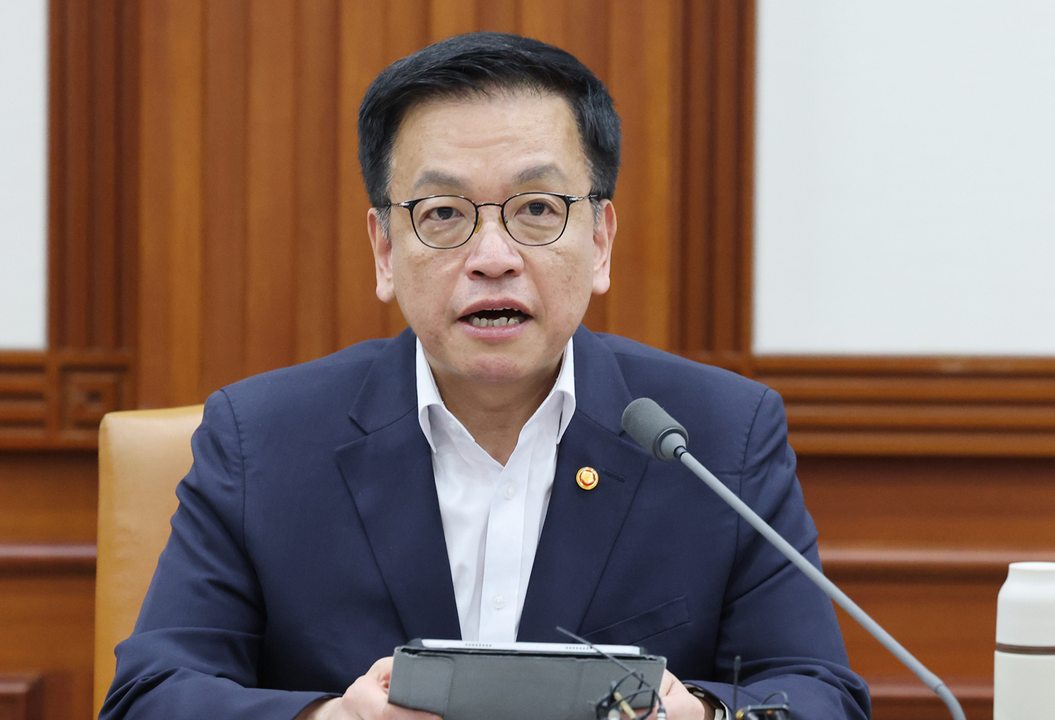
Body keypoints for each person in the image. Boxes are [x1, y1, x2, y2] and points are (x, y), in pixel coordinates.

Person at [101, 32, 871, 720]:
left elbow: (819, 695)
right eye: (443, 214)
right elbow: (148, 698)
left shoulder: (719, 436)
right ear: (384, 249)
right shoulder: (261, 439)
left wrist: (698, 716)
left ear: (600, 241)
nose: (493, 257)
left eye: (537, 208)